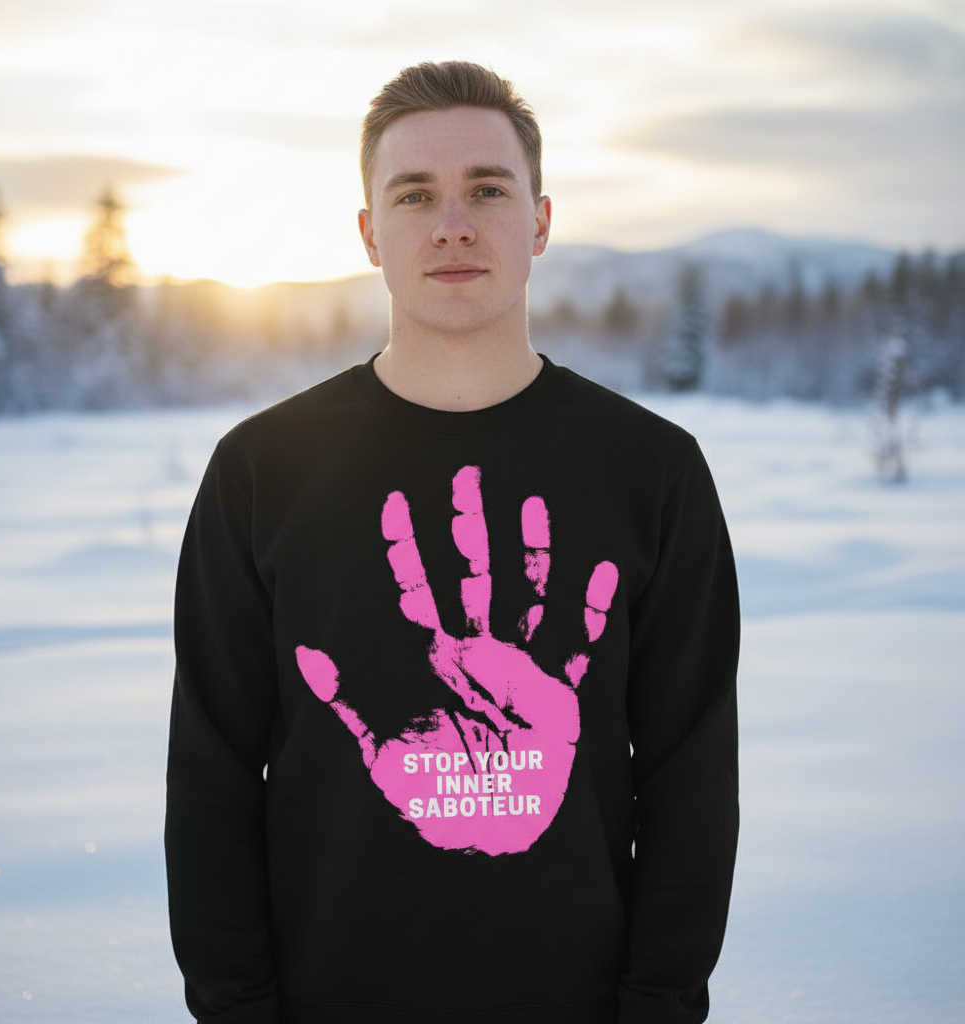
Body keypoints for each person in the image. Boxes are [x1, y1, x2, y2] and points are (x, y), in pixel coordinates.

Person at [166, 60, 739, 1024]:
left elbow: (690, 779)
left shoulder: (654, 472)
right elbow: (212, 776)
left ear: (541, 222)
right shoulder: (262, 473)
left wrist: (658, 1007)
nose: (453, 224)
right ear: (369, 235)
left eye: (486, 188)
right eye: (415, 194)